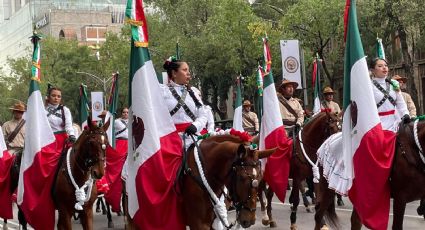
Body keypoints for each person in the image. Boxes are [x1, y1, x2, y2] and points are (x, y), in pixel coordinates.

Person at [161, 57, 208, 141]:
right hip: (170, 138)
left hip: (193, 134)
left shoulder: (193, 92)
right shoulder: (162, 91)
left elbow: (203, 115)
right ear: (174, 73)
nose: (188, 73)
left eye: (188, 70)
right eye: (185, 70)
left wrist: (195, 126)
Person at [370, 59, 410, 131]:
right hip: (377, 124)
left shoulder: (394, 83)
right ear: (373, 70)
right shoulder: (369, 86)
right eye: (380, 66)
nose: (384, 67)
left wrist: (405, 114)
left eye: (386, 65)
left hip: (395, 123)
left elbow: (400, 102)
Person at [45, 86, 76, 153]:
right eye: (53, 95)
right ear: (48, 96)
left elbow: (68, 125)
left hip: (62, 141)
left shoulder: (65, 110)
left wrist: (71, 135)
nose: (56, 98)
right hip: (47, 140)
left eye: (59, 96)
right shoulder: (43, 109)